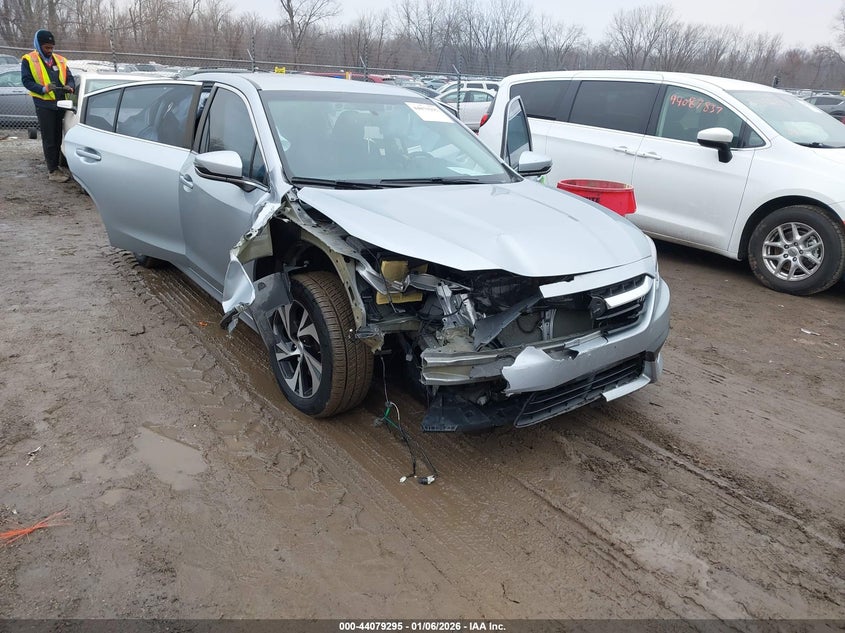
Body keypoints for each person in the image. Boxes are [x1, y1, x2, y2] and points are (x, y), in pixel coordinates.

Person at [21, 29, 75, 183]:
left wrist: (70, 86)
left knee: (58, 136)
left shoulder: (59, 60)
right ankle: (52, 170)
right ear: (38, 45)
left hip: (60, 103)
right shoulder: (29, 60)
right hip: (44, 104)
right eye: (47, 47)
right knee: (49, 138)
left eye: (52, 47)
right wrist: (43, 89)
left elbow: (70, 78)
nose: (50, 50)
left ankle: (57, 165)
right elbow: (26, 81)